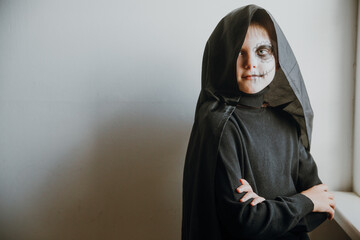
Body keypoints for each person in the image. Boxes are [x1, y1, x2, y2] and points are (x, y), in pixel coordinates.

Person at [182, 5, 335, 240]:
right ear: (223, 58)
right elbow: (244, 221)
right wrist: (305, 202)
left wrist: (268, 210)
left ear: (278, 57)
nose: (251, 63)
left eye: (262, 50)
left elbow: (324, 205)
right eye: (238, 52)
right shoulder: (219, 124)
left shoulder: (287, 122)